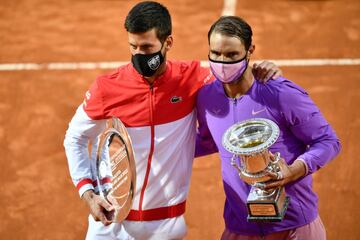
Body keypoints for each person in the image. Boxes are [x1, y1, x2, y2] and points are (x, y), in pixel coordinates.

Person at [63, 2, 282, 240]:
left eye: (147, 47)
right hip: (111, 224)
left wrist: (260, 70)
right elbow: (75, 137)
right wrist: (87, 193)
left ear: (168, 43)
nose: (139, 55)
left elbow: (235, 78)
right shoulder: (107, 88)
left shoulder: (192, 78)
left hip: (165, 227)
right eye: (133, 46)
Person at [195, 16, 341, 240]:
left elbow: (328, 141)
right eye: (216, 54)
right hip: (239, 227)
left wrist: (296, 170)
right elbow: (206, 140)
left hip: (293, 226)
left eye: (232, 55)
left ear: (250, 50)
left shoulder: (281, 94)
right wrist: (151, 147)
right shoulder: (207, 98)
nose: (223, 62)